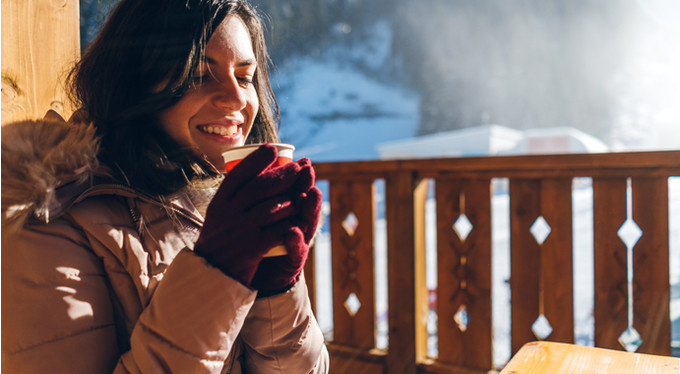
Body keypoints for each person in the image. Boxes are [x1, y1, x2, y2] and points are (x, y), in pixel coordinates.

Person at [1, 0, 329, 372]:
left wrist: (277, 289)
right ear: (136, 81)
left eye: (245, 76)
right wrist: (217, 272)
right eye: (200, 75)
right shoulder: (50, 222)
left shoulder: (221, 206)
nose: (237, 98)